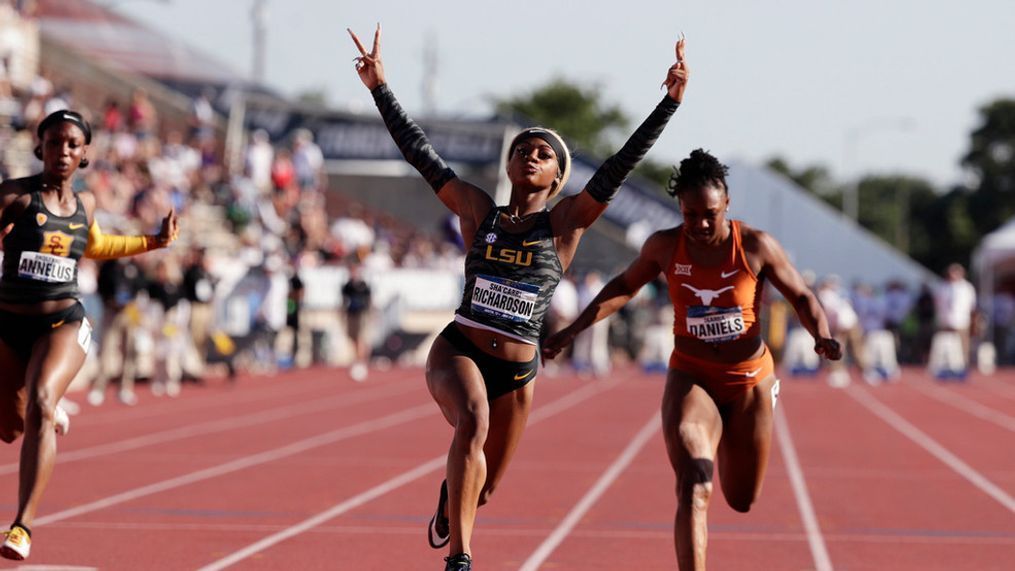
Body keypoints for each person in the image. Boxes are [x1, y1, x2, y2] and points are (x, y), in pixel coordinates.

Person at [349, 24, 688, 571]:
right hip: (460, 347)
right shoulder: (478, 210)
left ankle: (453, 500)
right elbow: (421, 154)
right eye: (523, 150)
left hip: (520, 371)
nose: (532, 156)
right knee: (472, 424)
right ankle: (460, 560)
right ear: (509, 167)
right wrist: (379, 88)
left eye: (544, 154)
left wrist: (667, 104)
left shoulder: (566, 223)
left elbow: (616, 170)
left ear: (557, 177)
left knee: (482, 489)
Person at [543, 149, 840, 571]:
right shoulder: (665, 246)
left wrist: (822, 334)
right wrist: (572, 331)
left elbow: (803, 296)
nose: (700, 224)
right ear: (679, 209)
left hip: (749, 380)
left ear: (727, 206)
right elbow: (623, 287)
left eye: (710, 214)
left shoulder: (754, 245)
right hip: (692, 376)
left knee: (741, 499)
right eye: (690, 214)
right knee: (695, 486)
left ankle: (730, 434)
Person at [0, 109, 178, 560]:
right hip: (8, 325)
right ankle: (45, 407)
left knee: (40, 402)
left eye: (72, 144)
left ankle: (22, 525)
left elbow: (95, 246)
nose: (63, 151)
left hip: (63, 322)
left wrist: (152, 242)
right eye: (55, 142)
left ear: (84, 155)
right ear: (39, 147)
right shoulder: (14, 198)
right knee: (10, 427)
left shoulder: (86, 206)